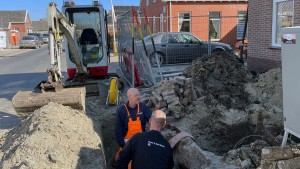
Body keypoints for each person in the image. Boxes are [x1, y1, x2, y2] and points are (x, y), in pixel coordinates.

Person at [114, 88, 152, 160]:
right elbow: (117, 131)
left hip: (141, 141)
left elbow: (151, 119)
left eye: (139, 94)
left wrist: (153, 119)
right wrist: (124, 147)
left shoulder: (142, 107)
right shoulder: (121, 111)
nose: (139, 97)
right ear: (129, 97)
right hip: (127, 143)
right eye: (136, 95)